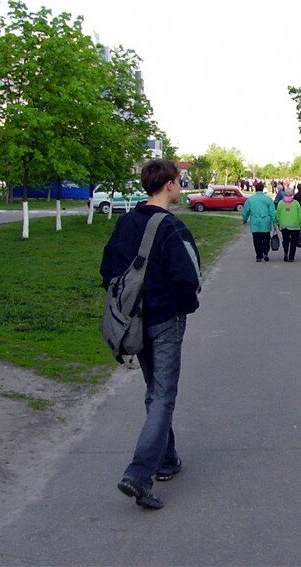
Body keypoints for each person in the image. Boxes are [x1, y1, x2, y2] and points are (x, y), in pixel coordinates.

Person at [100, 159, 201, 510]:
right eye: (179, 181)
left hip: (134, 321)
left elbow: (107, 268)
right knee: (163, 395)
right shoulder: (172, 228)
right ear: (169, 184)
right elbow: (188, 277)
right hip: (165, 320)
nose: (180, 186)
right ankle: (139, 474)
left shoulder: (127, 222)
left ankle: (166, 459)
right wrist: (185, 305)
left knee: (154, 389)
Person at [242, 181, 277, 262]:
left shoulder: (250, 199)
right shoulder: (268, 199)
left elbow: (246, 211)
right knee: (266, 238)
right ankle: (265, 252)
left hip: (255, 222)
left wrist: (244, 219)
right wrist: (274, 221)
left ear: (255, 189)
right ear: (263, 189)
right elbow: (272, 212)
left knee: (256, 239)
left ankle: (258, 255)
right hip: (265, 222)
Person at [274, 189, 301, 262]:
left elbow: (277, 214)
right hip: (295, 225)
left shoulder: (281, 203)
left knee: (285, 240)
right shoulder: (296, 203)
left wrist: (277, 222)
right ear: (292, 194)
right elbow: (300, 215)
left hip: (284, 226)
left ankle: (285, 253)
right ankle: (291, 257)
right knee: (293, 242)